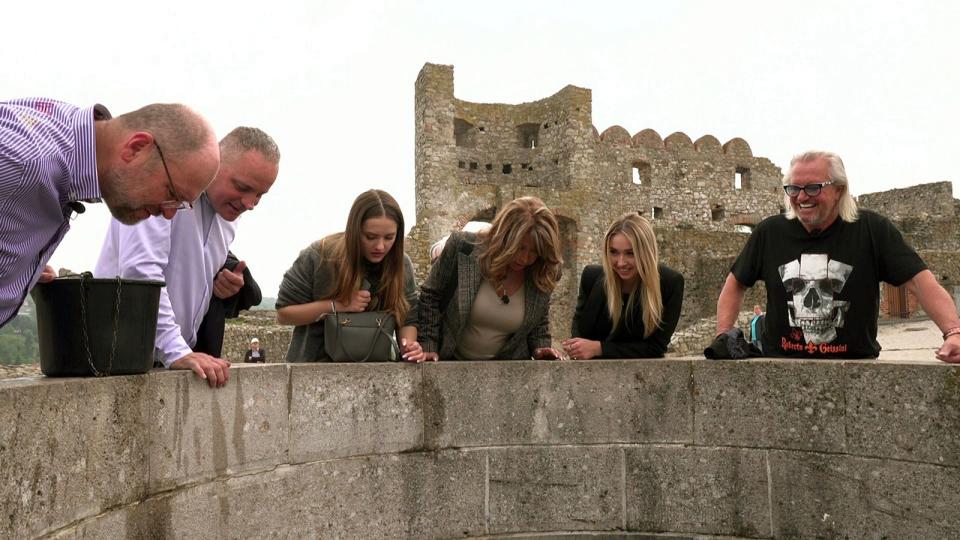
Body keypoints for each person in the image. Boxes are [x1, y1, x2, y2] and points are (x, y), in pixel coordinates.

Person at [716, 150, 960, 361]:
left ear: (839, 190)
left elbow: (919, 282)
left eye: (813, 188)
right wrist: (724, 335)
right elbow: (736, 282)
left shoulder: (872, 231)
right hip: (780, 366)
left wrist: (953, 333)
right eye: (794, 188)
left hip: (855, 368)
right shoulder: (769, 233)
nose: (801, 197)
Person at [0, 98, 219, 328]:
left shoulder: (63, 145)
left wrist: (23, 266)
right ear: (136, 148)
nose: (168, 213)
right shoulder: (20, 161)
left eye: (180, 204)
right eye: (172, 193)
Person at [95, 127, 280, 387]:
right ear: (215, 162)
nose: (249, 204)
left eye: (260, 195)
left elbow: (186, 273)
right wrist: (177, 351)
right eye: (242, 187)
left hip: (168, 361)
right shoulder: (162, 188)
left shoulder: (228, 217)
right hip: (123, 358)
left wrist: (219, 286)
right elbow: (140, 273)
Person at [276, 189, 425, 362]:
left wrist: (410, 346)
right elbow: (284, 314)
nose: (380, 246)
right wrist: (337, 305)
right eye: (370, 237)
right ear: (355, 230)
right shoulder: (320, 255)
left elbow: (407, 317)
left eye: (389, 237)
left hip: (378, 374)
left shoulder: (401, 264)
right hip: (313, 370)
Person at [417, 196, 565, 361]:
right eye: (520, 247)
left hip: (508, 375)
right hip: (449, 363)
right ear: (503, 236)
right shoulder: (462, 247)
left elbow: (538, 318)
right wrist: (428, 346)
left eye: (534, 251)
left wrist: (541, 347)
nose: (525, 258)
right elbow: (430, 295)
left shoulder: (544, 271)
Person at [564, 212, 684, 359]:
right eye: (614, 252)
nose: (621, 262)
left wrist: (600, 349)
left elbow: (656, 347)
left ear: (645, 253)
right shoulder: (591, 277)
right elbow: (579, 334)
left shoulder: (669, 283)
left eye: (630, 253)